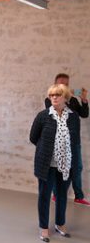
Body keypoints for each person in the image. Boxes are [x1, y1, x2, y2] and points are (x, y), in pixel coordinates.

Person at [31, 84, 80, 242]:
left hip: (65, 164)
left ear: (65, 98)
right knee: (45, 196)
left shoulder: (73, 117)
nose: (54, 98)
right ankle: (44, 227)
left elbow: (75, 141)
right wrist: (46, 149)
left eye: (58, 95)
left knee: (62, 196)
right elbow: (33, 137)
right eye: (51, 95)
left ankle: (60, 224)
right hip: (46, 165)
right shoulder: (43, 116)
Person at [44, 73, 89, 206]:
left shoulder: (73, 100)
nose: (64, 86)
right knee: (58, 168)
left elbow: (84, 114)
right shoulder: (50, 99)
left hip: (75, 141)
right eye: (61, 84)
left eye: (66, 84)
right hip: (59, 140)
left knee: (77, 168)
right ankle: (56, 195)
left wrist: (84, 101)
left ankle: (79, 196)